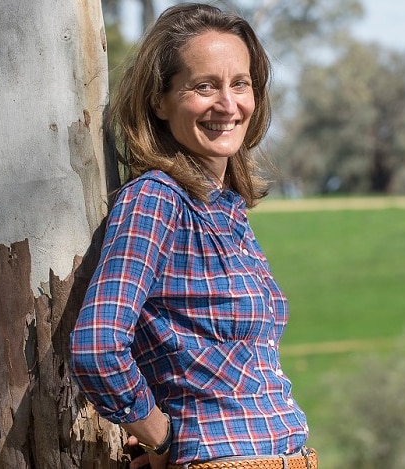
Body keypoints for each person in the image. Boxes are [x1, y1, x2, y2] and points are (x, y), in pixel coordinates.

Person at [70, 3, 316, 469]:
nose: (228, 104)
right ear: (159, 101)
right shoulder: (156, 199)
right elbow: (97, 346)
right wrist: (161, 438)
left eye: (240, 84)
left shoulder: (227, 212)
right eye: (204, 86)